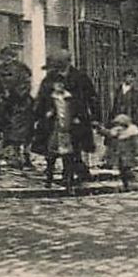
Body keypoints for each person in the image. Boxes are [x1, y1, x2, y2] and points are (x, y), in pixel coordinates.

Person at [33, 50, 99, 193]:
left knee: (73, 149)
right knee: (52, 150)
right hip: (54, 121)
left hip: (76, 120)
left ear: (68, 62)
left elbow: (92, 98)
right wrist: (40, 115)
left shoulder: (80, 77)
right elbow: (42, 98)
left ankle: (68, 176)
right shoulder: (50, 78)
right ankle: (53, 176)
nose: (58, 69)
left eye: (61, 65)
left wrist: (95, 118)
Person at [0, 43, 34, 170]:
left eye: (9, 57)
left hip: (21, 104)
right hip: (6, 105)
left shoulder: (22, 69)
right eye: (4, 57)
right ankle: (14, 157)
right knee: (9, 131)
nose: (7, 60)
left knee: (23, 132)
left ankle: (25, 156)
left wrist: (13, 94)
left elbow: (25, 86)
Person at [107, 69, 138, 160]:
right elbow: (114, 106)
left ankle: (131, 159)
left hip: (131, 118)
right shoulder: (118, 91)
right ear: (124, 77)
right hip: (118, 118)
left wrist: (137, 116)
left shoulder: (137, 92)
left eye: (132, 77)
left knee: (131, 138)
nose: (130, 79)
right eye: (128, 77)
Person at [102, 113, 138, 191]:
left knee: (127, 169)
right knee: (122, 170)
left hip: (128, 154)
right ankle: (126, 184)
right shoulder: (117, 132)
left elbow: (137, 144)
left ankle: (131, 183)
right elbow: (110, 136)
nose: (119, 126)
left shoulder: (132, 132)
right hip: (120, 155)